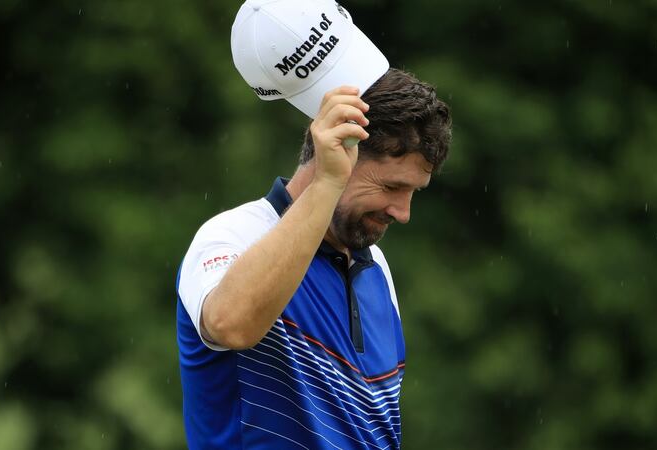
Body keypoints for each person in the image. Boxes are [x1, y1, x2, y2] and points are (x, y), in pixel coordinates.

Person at [176, 67, 452, 447]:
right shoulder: (232, 235)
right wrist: (327, 182)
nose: (402, 212)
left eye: (413, 191)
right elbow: (230, 325)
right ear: (335, 153)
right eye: (390, 186)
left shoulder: (377, 267)